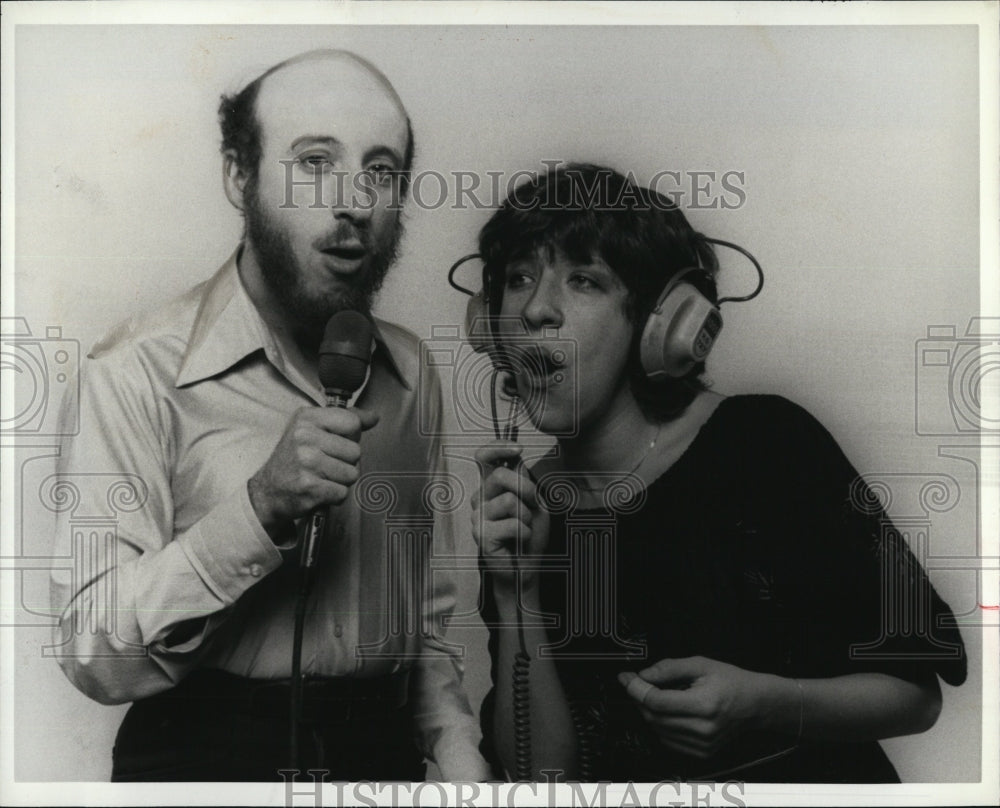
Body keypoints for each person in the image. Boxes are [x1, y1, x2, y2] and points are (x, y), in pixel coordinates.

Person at [49, 49, 490, 782]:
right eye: (315, 161)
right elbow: (94, 653)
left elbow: (428, 627)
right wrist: (257, 509)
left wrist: (458, 759)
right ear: (238, 175)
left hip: (382, 757)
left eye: (380, 171)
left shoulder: (413, 375)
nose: (354, 200)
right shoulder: (134, 372)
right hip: (204, 760)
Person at [472, 163, 967, 782]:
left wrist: (763, 703)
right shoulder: (522, 508)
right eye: (518, 278)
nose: (536, 309)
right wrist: (514, 592)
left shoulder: (766, 444)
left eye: (584, 280)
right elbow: (541, 781)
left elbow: (917, 695)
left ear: (663, 323)